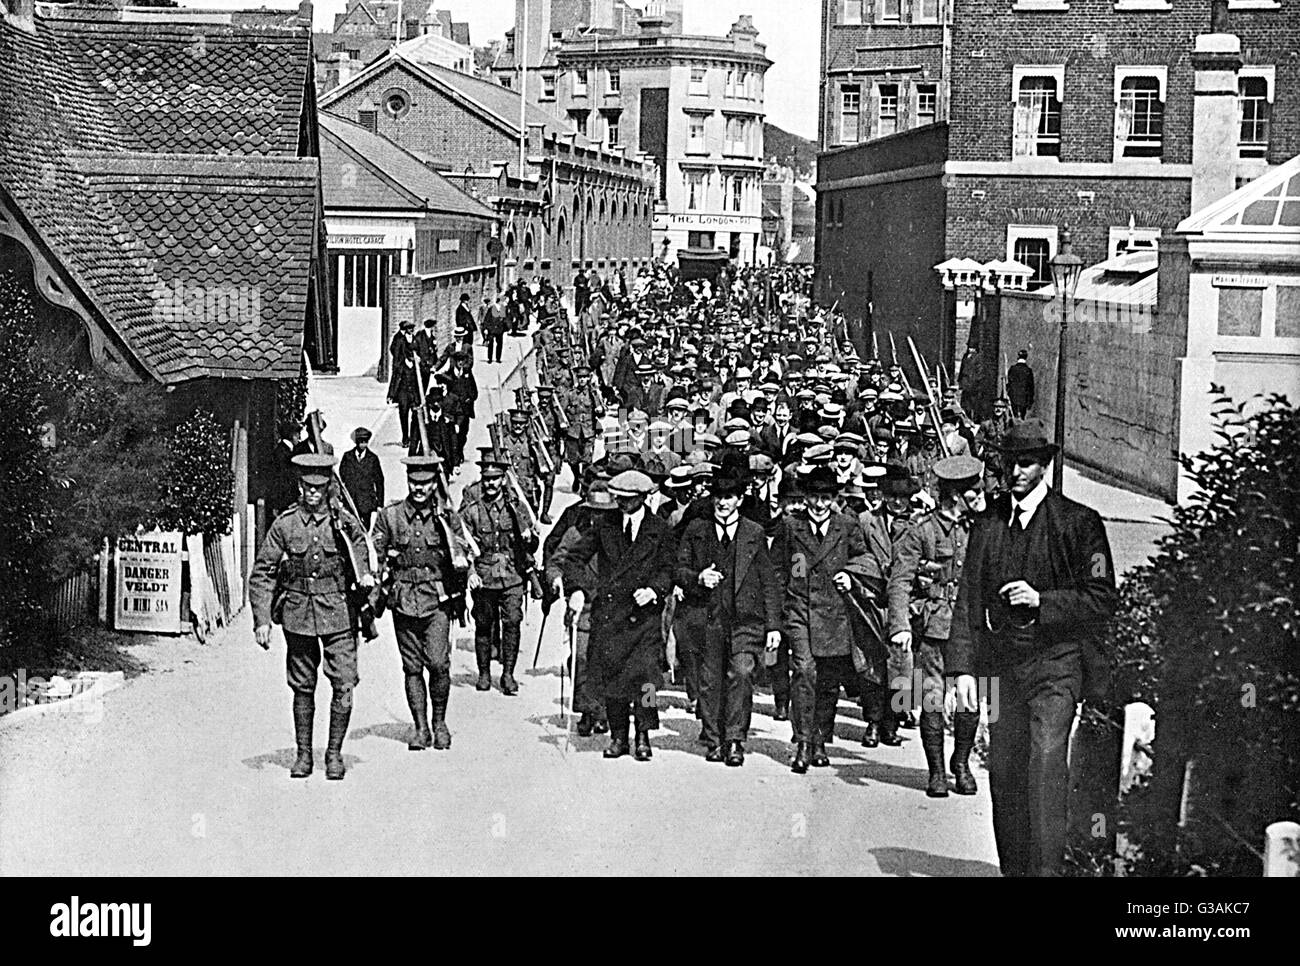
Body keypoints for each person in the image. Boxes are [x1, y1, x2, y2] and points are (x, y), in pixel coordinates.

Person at [947, 419, 1118, 876]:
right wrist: (962, 670)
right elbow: (967, 598)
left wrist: (1042, 601)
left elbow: (1102, 597)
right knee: (1004, 772)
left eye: (1027, 463)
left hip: (1056, 665)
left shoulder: (1080, 524)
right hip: (1002, 669)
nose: (1017, 472)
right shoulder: (988, 525)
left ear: (1045, 465)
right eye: (1010, 463)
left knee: (1044, 765)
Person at [249, 454, 373, 781]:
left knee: (344, 682)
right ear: (299, 486)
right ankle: (304, 755)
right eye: (307, 487)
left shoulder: (344, 522)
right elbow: (262, 573)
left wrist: (367, 586)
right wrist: (262, 619)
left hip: (340, 614)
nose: (313, 493)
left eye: (319, 487)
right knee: (303, 686)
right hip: (299, 613)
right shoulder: (285, 524)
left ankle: (333, 754)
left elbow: (364, 562)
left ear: (329, 486)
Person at [887, 454, 985, 798]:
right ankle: (937, 770)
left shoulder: (981, 528)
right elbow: (899, 579)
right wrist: (899, 624)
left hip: (974, 628)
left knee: (972, 698)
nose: (980, 496)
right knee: (931, 698)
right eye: (974, 492)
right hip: (934, 627)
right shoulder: (921, 530)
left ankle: (961, 762)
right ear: (956, 495)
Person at [562, 470, 676, 762]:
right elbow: (574, 558)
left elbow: (670, 568)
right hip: (611, 616)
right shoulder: (605, 525)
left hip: (645, 617)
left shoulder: (659, 529)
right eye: (619, 499)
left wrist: (654, 589)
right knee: (614, 679)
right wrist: (577, 589)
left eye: (629, 499)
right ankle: (618, 735)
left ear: (643, 497)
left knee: (647, 679)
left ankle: (643, 733)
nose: (622, 504)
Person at [675, 455, 781, 766]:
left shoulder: (753, 532)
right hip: (707, 617)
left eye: (730, 497)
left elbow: (768, 581)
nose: (723, 503)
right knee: (710, 681)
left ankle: (735, 739)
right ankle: (713, 738)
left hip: (744, 620)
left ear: (739, 499)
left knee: (742, 673)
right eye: (719, 497)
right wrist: (697, 578)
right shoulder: (697, 529)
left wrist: (773, 626)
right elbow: (677, 569)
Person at [776, 464, 872, 773]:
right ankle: (803, 742)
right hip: (800, 610)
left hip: (835, 614)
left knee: (829, 682)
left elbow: (864, 559)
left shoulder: (847, 525)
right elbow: (777, 568)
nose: (819, 505)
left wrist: (850, 575)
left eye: (826, 497)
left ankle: (820, 740)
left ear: (834, 497)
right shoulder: (791, 526)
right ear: (805, 497)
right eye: (814, 497)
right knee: (804, 672)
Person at [372, 456, 471, 751]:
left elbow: (464, 549)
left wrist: (460, 556)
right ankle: (420, 728)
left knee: (439, 664)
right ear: (408, 482)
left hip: (437, 599)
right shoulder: (390, 517)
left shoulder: (447, 517)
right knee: (412, 667)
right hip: (403, 599)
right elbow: (374, 552)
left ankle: (439, 722)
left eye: (425, 483)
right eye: (414, 482)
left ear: (433, 485)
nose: (419, 488)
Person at [462, 459, 538, 695]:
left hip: (512, 575)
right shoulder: (472, 511)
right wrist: (471, 573)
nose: (491, 484)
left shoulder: (517, 508)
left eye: (495, 479)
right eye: (486, 479)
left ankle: (508, 674)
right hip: (485, 577)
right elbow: (462, 547)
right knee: (484, 624)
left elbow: (533, 544)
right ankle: (484, 673)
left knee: (512, 622)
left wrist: (528, 538)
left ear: (503, 480)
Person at [339, 427, 384, 529]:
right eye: (361, 441)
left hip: (366, 502)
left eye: (365, 442)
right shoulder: (347, 457)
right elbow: (341, 478)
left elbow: (379, 481)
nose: (363, 444)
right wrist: (341, 497)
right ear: (356, 442)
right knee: (350, 527)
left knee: (365, 529)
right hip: (350, 501)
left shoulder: (373, 459)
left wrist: (380, 503)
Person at [388, 320, 419, 448]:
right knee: (403, 413)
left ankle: (413, 437)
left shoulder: (416, 366)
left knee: (416, 413)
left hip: (414, 390)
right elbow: (395, 378)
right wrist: (390, 394)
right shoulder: (400, 365)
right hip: (403, 391)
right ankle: (405, 437)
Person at [1007, 349, 1035, 419]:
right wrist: (1030, 402)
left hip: (1013, 399)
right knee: (1021, 419)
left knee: (1013, 418)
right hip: (1024, 400)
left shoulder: (1012, 369)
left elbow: (1008, 384)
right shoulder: (1028, 371)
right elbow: (1031, 388)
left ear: (1018, 357)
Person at [484, 293, 508, 364]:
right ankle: (490, 358)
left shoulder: (503, 309)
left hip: (500, 329)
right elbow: (487, 319)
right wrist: (486, 328)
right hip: (491, 329)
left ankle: (498, 358)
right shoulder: (491, 308)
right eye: (502, 301)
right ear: (499, 301)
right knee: (490, 344)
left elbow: (505, 319)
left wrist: (505, 327)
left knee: (500, 344)